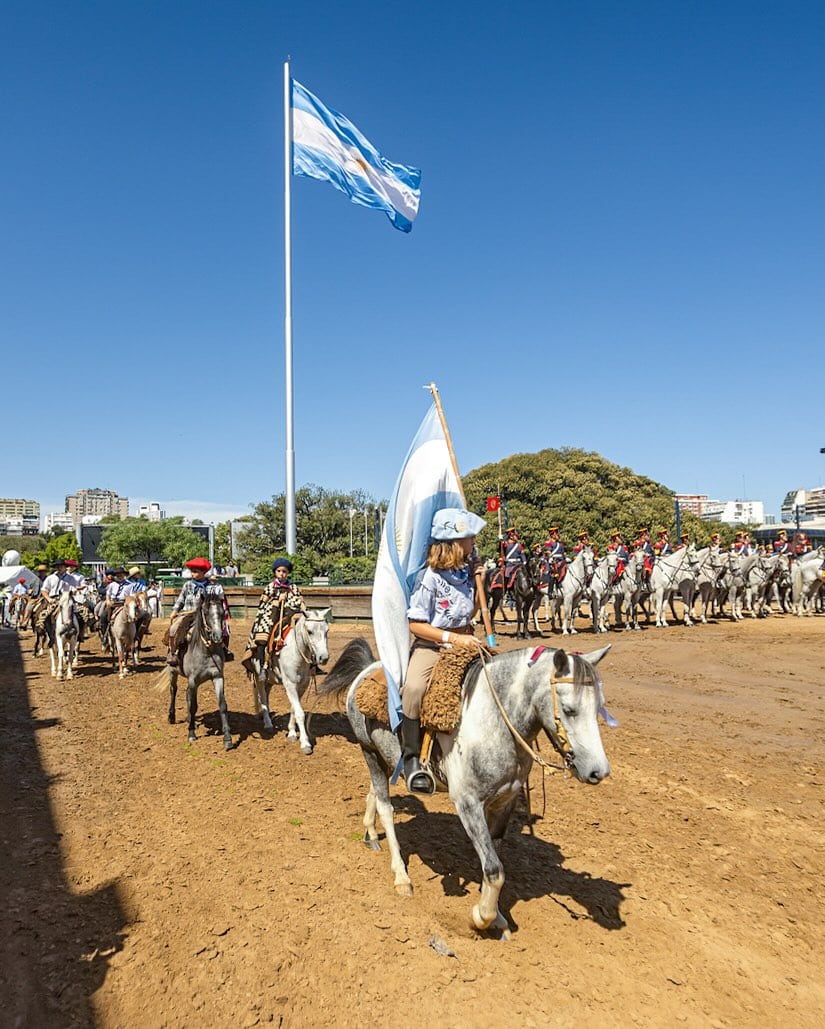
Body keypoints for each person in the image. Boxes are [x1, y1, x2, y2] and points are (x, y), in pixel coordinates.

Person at [401, 507, 487, 795]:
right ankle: (412, 759)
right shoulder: (429, 578)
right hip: (434, 647)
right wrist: (452, 638)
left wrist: (481, 584)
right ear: (453, 542)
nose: (474, 541)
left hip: (469, 642)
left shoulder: (467, 574)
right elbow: (416, 624)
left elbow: (470, 612)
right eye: (469, 537)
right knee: (413, 689)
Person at [243, 558, 306, 671]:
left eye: (284, 571)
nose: (282, 574)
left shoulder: (294, 587)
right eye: (279, 571)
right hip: (272, 614)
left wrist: (296, 602)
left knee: (308, 631)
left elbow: (299, 601)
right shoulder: (270, 587)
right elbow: (263, 604)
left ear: (288, 573)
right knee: (263, 631)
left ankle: (312, 664)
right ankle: (262, 664)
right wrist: (277, 599)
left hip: (290, 613)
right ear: (275, 572)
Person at [167, 557, 228, 666]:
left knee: (222, 629)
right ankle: (174, 652)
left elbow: (216, 602)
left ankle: (224, 649)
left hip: (205, 615)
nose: (193, 574)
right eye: (192, 571)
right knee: (173, 629)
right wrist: (175, 610)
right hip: (188, 614)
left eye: (195, 572)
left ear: (203, 573)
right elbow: (181, 599)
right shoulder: (188, 585)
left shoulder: (211, 587)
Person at [99, 567, 131, 647]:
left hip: (124, 604)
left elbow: (131, 596)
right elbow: (108, 594)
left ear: (124, 575)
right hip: (113, 604)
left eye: (121, 574)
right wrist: (108, 601)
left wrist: (127, 602)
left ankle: (135, 634)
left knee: (136, 616)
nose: (120, 576)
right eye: (118, 575)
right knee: (103, 616)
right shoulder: (112, 585)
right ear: (115, 576)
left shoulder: (129, 585)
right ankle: (105, 636)